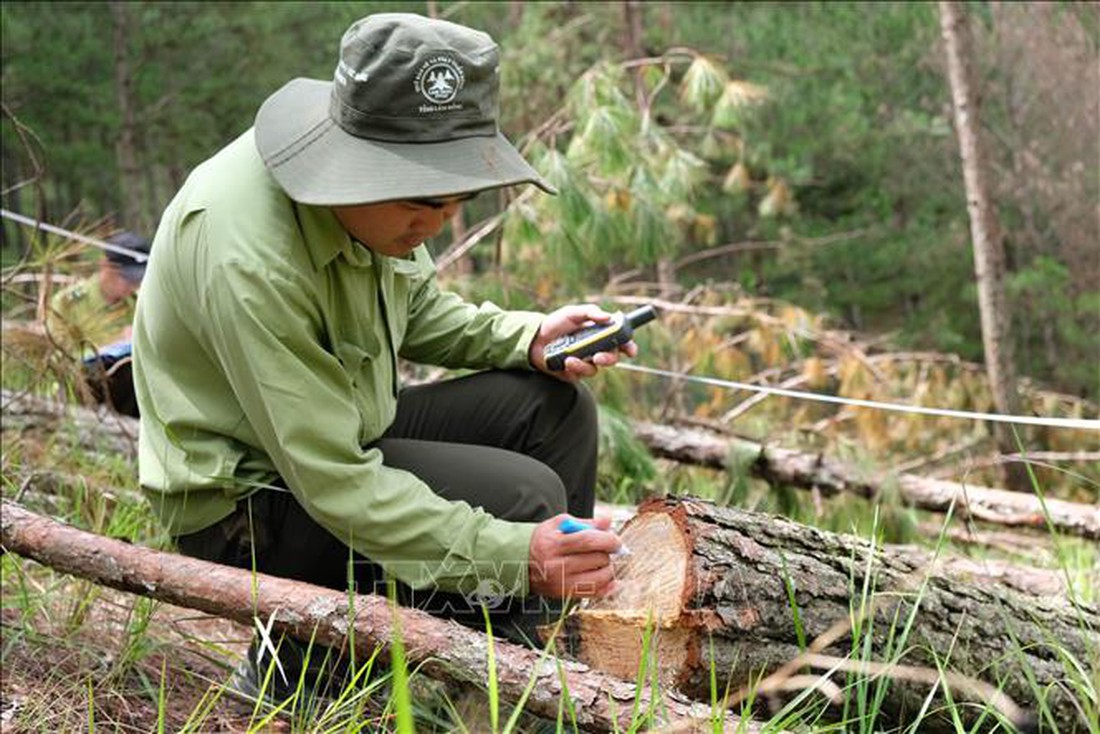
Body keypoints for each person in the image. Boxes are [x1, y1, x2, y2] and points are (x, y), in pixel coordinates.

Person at [132, 13, 632, 698]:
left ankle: (525, 656)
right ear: (351, 164)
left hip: (330, 436)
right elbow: (333, 479)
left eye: (461, 200)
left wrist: (528, 338)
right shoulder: (250, 259)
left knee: (555, 409)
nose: (439, 224)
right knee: (525, 501)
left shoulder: (376, 204)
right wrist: (517, 553)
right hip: (245, 502)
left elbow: (416, 307)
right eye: (427, 202)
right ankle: (303, 667)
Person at [49, 230, 151, 417]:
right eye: (127, 278)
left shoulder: (139, 305)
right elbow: (57, 358)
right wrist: (106, 347)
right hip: (85, 394)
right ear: (105, 265)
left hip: (132, 396)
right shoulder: (68, 303)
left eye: (138, 280)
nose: (133, 286)